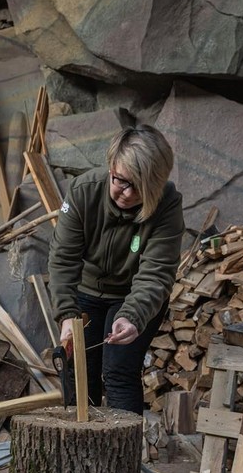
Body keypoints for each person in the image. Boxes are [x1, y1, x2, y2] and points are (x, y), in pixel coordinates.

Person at [48, 124, 184, 415]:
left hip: (134, 294)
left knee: (119, 371)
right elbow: (63, 259)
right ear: (111, 166)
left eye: (140, 186)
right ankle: (81, 451)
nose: (128, 193)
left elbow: (157, 272)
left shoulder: (167, 204)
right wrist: (67, 314)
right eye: (121, 181)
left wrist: (133, 316)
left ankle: (124, 456)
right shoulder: (84, 190)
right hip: (87, 291)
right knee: (79, 375)